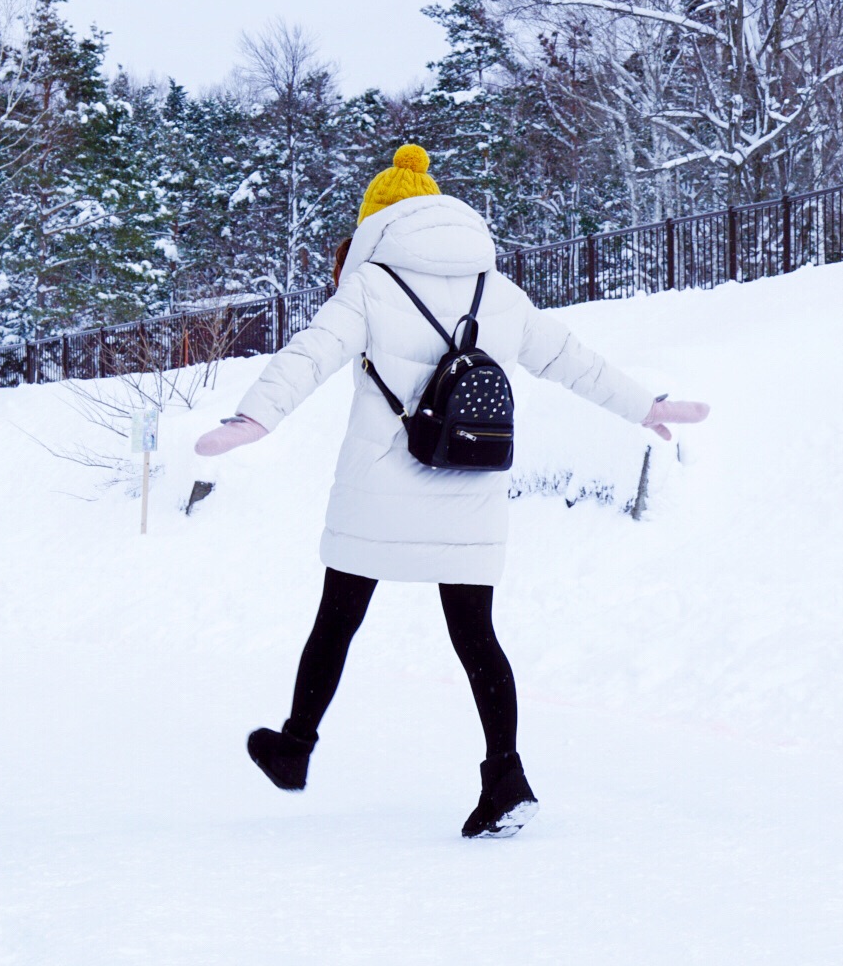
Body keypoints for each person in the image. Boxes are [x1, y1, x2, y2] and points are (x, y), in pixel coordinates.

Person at [194, 144, 709, 838]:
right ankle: (506, 777)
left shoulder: (370, 286)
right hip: (470, 483)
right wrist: (644, 405)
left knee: (338, 619)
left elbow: (310, 353)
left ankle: (295, 748)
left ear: (377, 222)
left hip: (380, 486)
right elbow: (571, 361)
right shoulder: (496, 291)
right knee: (476, 638)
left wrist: (255, 416)